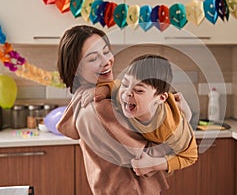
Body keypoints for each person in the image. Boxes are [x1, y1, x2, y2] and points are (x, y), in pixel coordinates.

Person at [56, 25, 171, 195]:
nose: (106, 61)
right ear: (75, 69)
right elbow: (142, 157)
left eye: (106, 51)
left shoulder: (85, 99)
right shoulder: (100, 107)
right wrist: (175, 142)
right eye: (93, 58)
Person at [89, 54, 198, 175]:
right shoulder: (125, 95)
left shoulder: (170, 128)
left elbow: (190, 156)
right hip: (164, 105)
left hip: (178, 114)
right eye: (126, 84)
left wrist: (154, 164)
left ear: (160, 97)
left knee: (185, 117)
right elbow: (115, 85)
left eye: (139, 90)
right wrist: (97, 91)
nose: (127, 93)